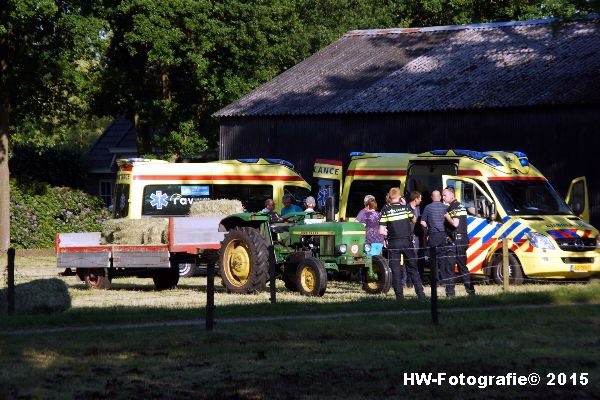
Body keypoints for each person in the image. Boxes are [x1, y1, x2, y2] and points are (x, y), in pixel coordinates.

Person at [379, 187, 426, 301]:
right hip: (407, 242)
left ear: (390, 197)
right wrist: (405, 205)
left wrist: (386, 238)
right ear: (400, 196)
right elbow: (414, 220)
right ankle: (421, 294)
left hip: (393, 243)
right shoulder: (405, 208)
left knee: (395, 270)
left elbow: (381, 230)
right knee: (413, 268)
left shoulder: (386, 209)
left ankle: (399, 297)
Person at [442, 187, 475, 297]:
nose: (443, 197)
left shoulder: (454, 206)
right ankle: (470, 292)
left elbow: (455, 224)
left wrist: (446, 216)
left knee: (450, 268)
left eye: (444, 195)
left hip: (456, 241)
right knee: (462, 267)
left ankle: (450, 294)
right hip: (460, 240)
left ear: (452, 195)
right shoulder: (458, 205)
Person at [420, 190, 447, 284]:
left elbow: (422, 222)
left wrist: (428, 227)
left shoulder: (428, 207)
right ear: (440, 197)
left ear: (432, 197)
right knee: (442, 258)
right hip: (443, 235)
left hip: (433, 235)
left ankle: (435, 280)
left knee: (433, 259)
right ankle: (444, 279)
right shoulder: (445, 207)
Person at [405, 191, 424, 286]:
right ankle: (408, 281)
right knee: (409, 259)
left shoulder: (418, 208)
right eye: (420, 198)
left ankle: (416, 280)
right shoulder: (406, 209)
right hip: (409, 237)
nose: (421, 200)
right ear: (415, 199)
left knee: (417, 259)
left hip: (417, 237)